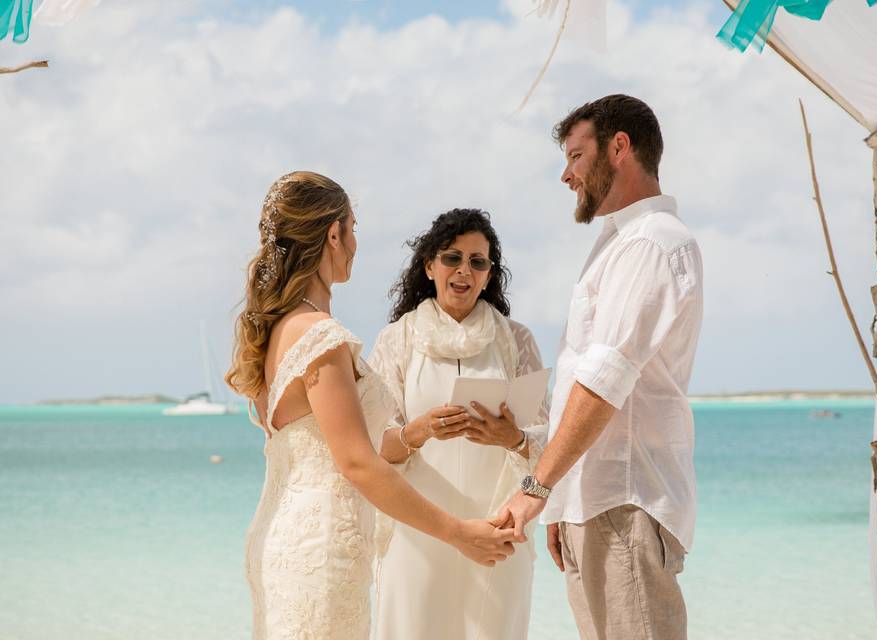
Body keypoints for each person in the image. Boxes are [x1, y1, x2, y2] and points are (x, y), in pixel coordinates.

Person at [225, 172, 520, 640]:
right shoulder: (319, 336)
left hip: (285, 535)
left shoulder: (279, 330)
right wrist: (457, 532)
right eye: (354, 228)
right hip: (322, 548)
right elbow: (358, 462)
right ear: (334, 235)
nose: (356, 243)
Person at [495, 95, 704, 640]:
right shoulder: (620, 243)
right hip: (601, 502)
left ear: (619, 148)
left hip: (626, 502)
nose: (567, 175)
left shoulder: (651, 243)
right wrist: (563, 499)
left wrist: (536, 490)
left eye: (576, 156)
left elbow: (603, 383)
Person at [369, 209, 549, 640]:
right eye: (452, 258)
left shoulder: (516, 340)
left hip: (497, 530)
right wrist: (420, 431)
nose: (464, 270)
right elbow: (374, 449)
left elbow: (547, 442)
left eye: (477, 261)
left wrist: (515, 438)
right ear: (429, 266)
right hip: (418, 532)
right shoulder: (397, 340)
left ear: (489, 275)